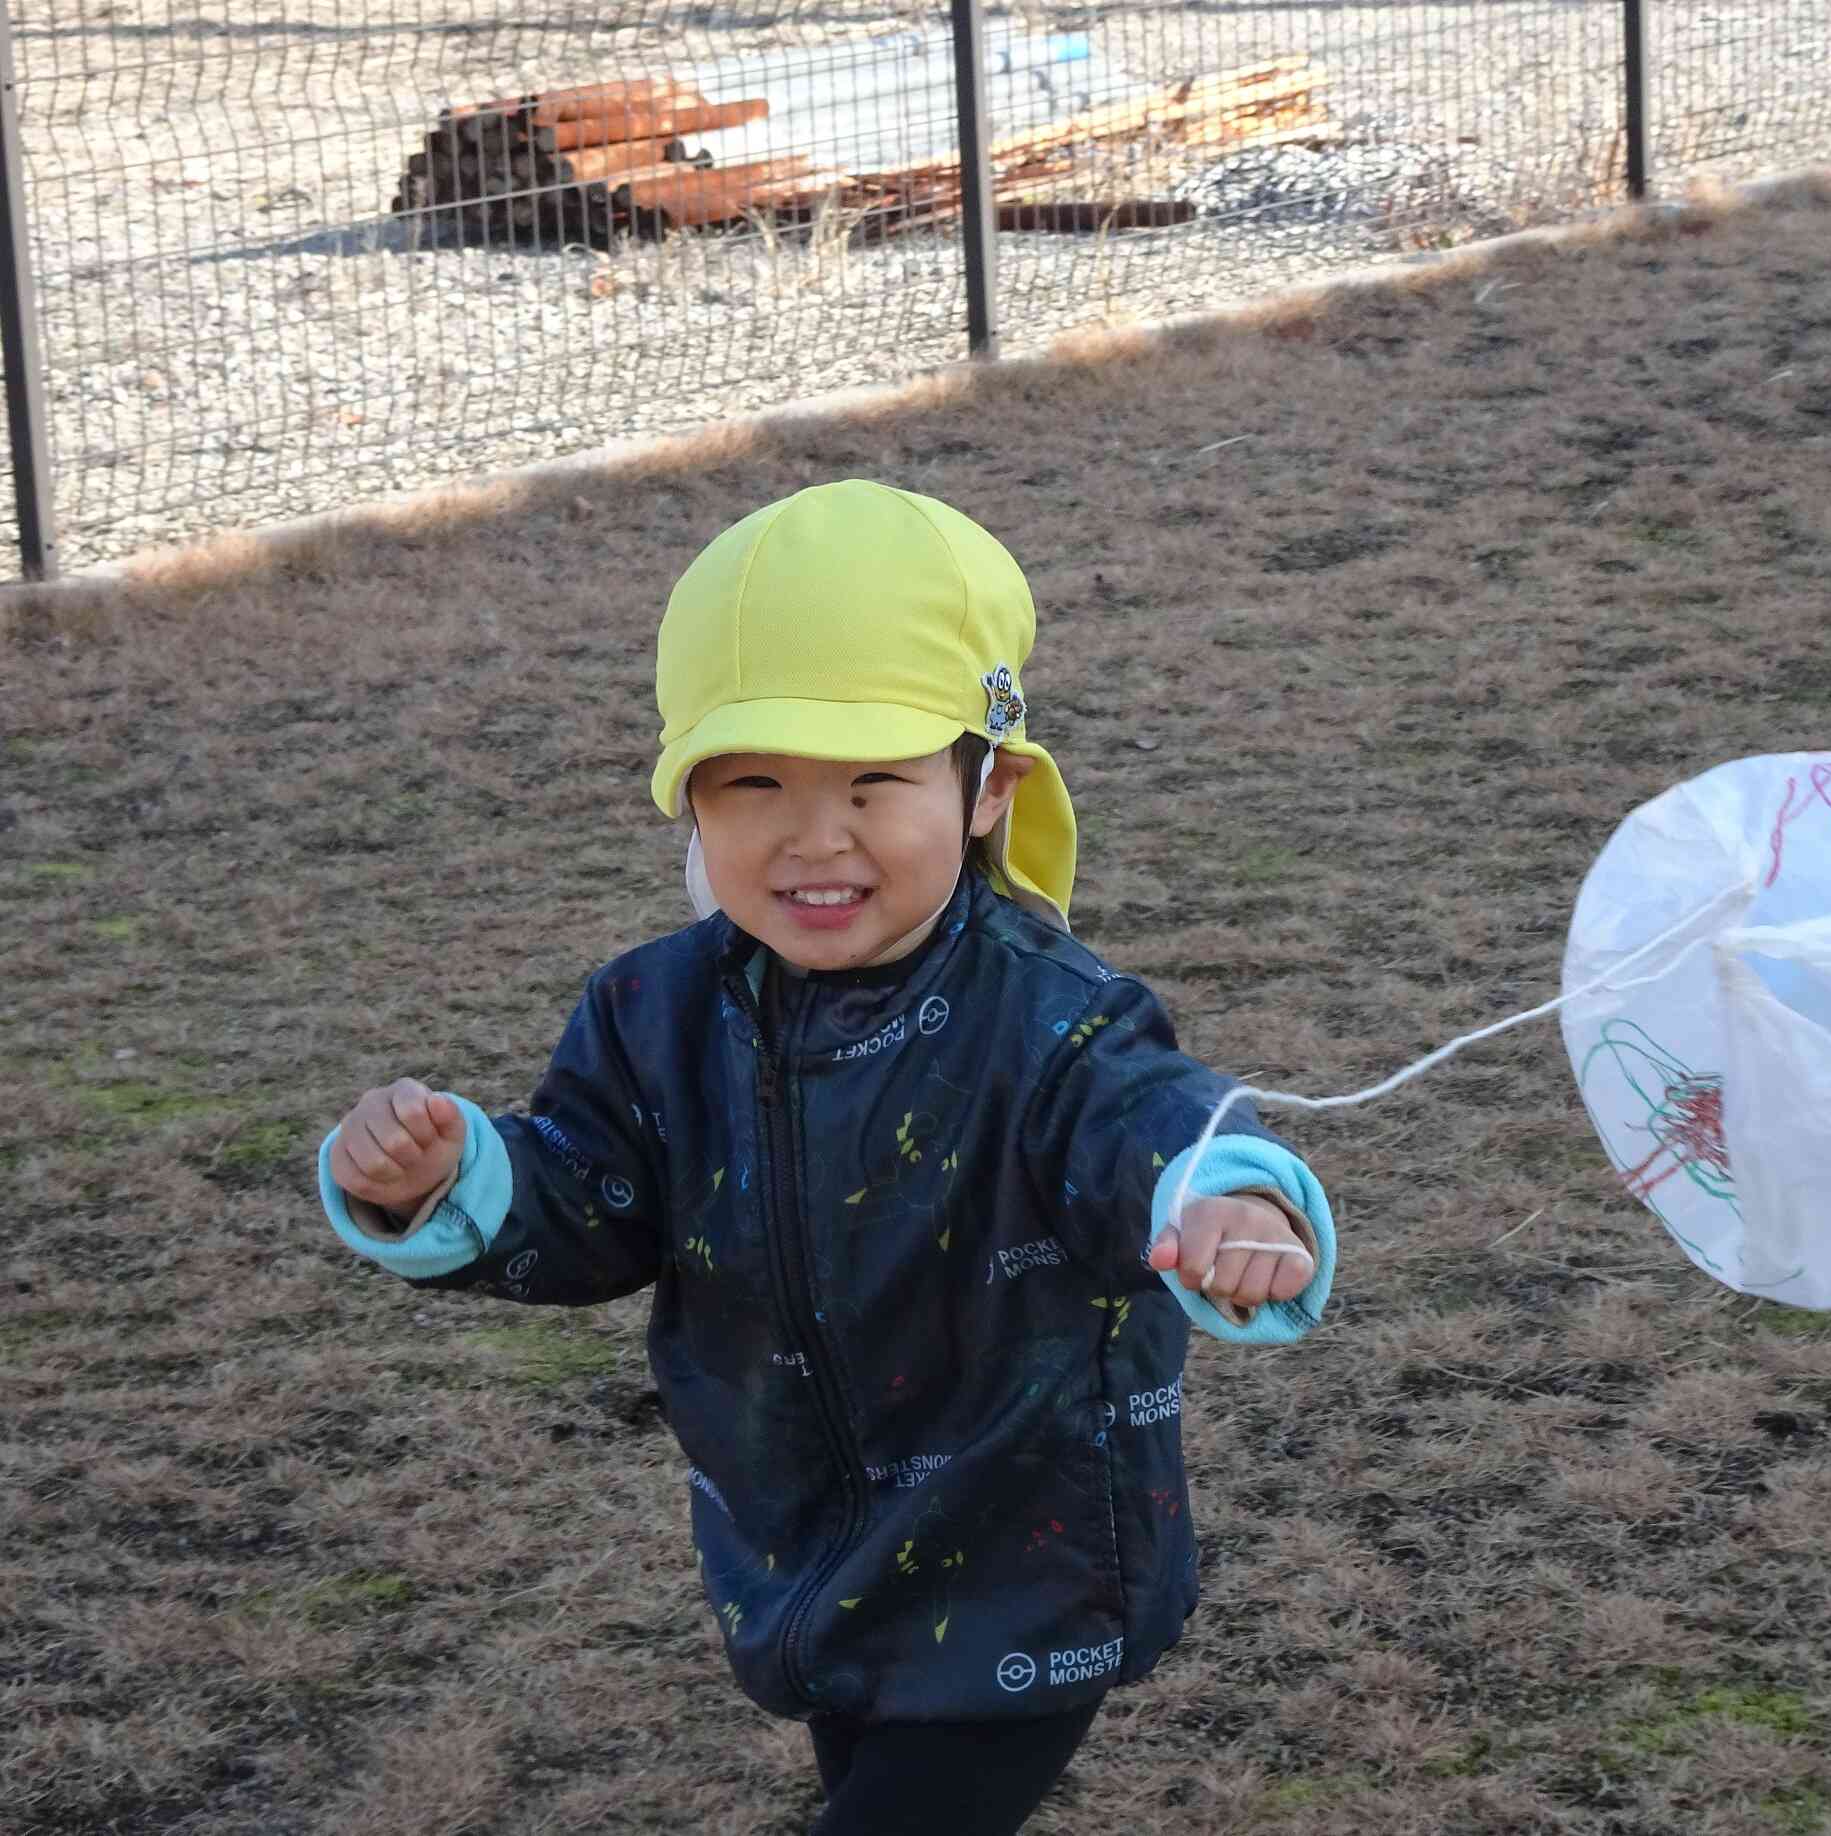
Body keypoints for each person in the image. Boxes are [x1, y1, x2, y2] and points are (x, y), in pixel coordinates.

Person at [315, 480, 1337, 1835]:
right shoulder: (651, 1012)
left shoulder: (1047, 1015)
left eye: (875, 782)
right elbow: (590, 1202)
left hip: (1021, 1569)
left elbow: (1150, 1116)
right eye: (754, 785)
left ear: (989, 790)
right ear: (688, 798)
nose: (814, 837)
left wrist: (1236, 1197)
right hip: (797, 1551)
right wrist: (449, 1187)